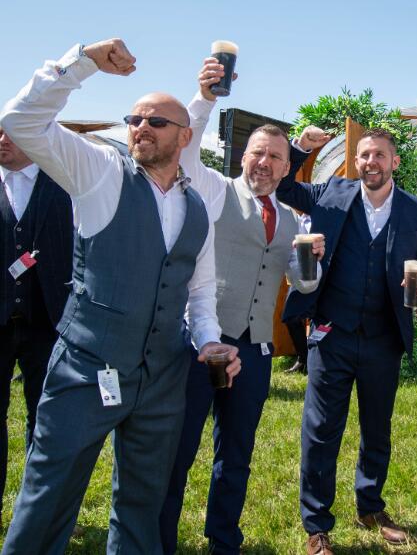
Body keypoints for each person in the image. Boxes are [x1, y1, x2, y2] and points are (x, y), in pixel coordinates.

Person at [0, 39, 241, 554]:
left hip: (161, 379)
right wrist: (82, 61)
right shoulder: (100, 173)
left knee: (143, 505)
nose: (140, 127)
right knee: (48, 494)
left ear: (185, 137)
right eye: (134, 118)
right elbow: (21, 122)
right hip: (87, 368)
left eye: (155, 122)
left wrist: (209, 341)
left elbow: (198, 292)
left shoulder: (199, 205)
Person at [159, 56, 324, 555]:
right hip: (200, 345)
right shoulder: (213, 189)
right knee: (180, 449)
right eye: (258, 153)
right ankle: (160, 537)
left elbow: (302, 286)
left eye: (276, 157)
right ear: (242, 157)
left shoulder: (294, 220)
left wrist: (312, 264)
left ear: (285, 165)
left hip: (254, 352)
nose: (265, 163)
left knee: (236, 454)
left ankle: (223, 540)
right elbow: (184, 156)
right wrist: (206, 97)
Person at [276, 125, 417, 555]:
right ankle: (317, 523)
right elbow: (285, 185)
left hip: (385, 338)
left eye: (380, 155)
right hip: (332, 334)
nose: (371, 163)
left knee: (376, 429)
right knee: (322, 430)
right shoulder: (331, 192)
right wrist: (299, 148)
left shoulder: (416, 209)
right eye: (365, 155)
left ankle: (370, 505)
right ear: (356, 161)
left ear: (395, 162)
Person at [0, 129, 73, 527]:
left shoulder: (64, 183)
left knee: (45, 421)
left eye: (8, 132)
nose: (0, 140)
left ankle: (37, 513)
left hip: (48, 324)